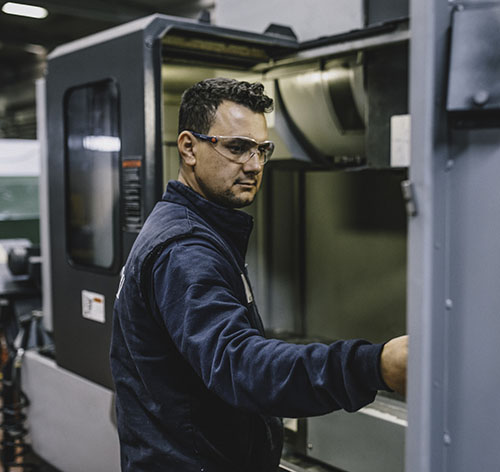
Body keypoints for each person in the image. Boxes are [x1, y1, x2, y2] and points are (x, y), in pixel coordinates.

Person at [110, 77, 408, 472]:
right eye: (237, 148)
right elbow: (239, 364)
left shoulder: (191, 228)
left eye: (261, 150)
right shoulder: (184, 249)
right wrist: (374, 365)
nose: (253, 165)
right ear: (188, 147)